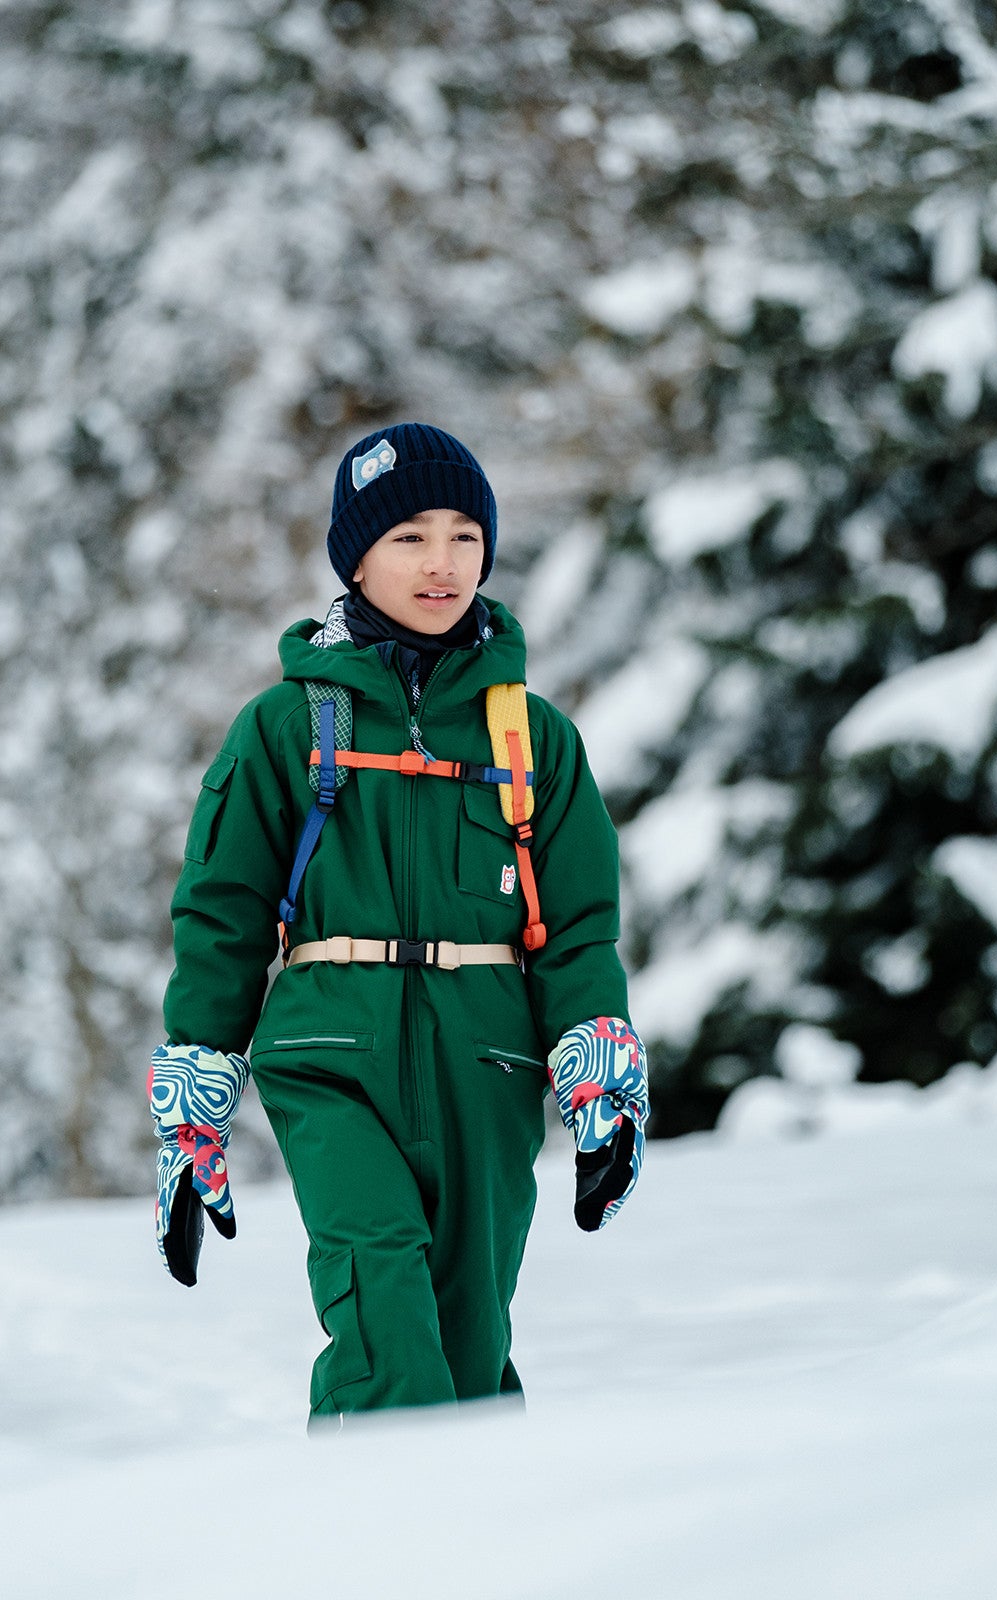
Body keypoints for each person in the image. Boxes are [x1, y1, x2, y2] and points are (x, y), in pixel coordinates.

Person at [147, 422, 650, 1422]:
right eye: (410, 536)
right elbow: (224, 911)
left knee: (470, 1342)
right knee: (382, 1300)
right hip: (330, 1052)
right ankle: (368, 1543)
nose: (441, 562)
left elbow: (579, 927)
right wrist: (196, 1087)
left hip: (489, 1064)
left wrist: (596, 1060)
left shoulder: (530, 736)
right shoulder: (288, 725)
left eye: (465, 535)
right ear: (358, 555)